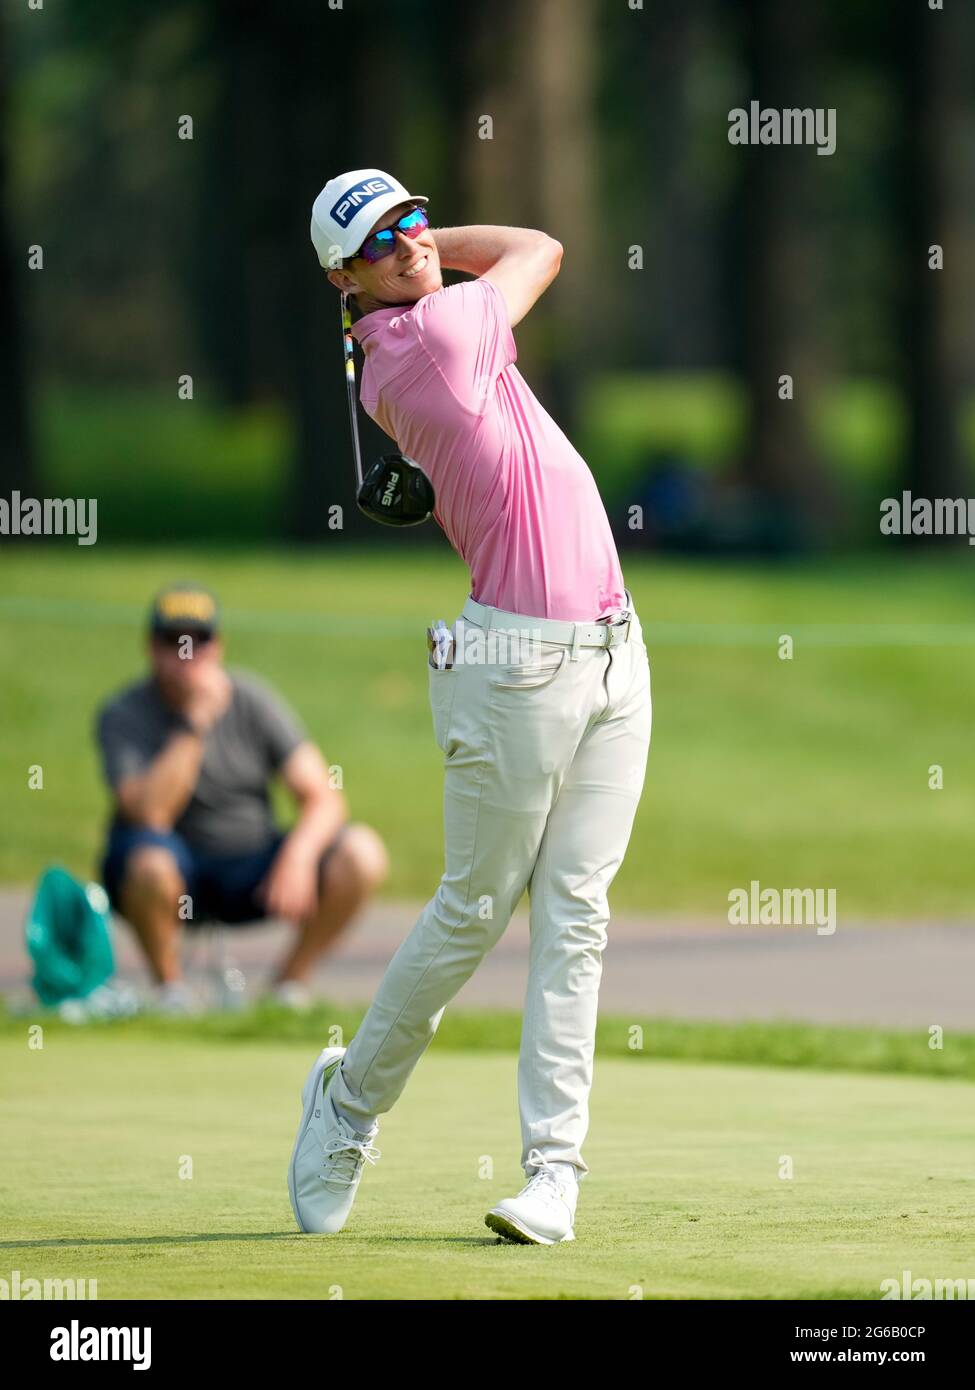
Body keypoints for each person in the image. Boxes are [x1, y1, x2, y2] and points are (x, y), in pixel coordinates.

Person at [289, 169, 651, 1244]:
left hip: (615, 654)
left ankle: (554, 1175)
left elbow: (513, 258)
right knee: (472, 910)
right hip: (515, 666)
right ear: (344, 280)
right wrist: (437, 244)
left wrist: (408, 242)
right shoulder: (437, 339)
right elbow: (540, 244)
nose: (408, 244)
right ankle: (347, 1103)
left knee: (576, 913)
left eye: (411, 219)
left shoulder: (413, 329)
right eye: (380, 239)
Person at [95, 583, 388, 1012]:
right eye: (172, 641)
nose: (186, 655)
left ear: (219, 647)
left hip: (250, 866)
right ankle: (170, 995)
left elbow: (324, 797)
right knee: (152, 865)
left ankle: (288, 989)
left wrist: (300, 854)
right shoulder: (124, 713)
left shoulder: (253, 699)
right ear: (150, 648)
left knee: (362, 852)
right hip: (170, 869)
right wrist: (194, 724)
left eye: (199, 641)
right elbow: (149, 813)